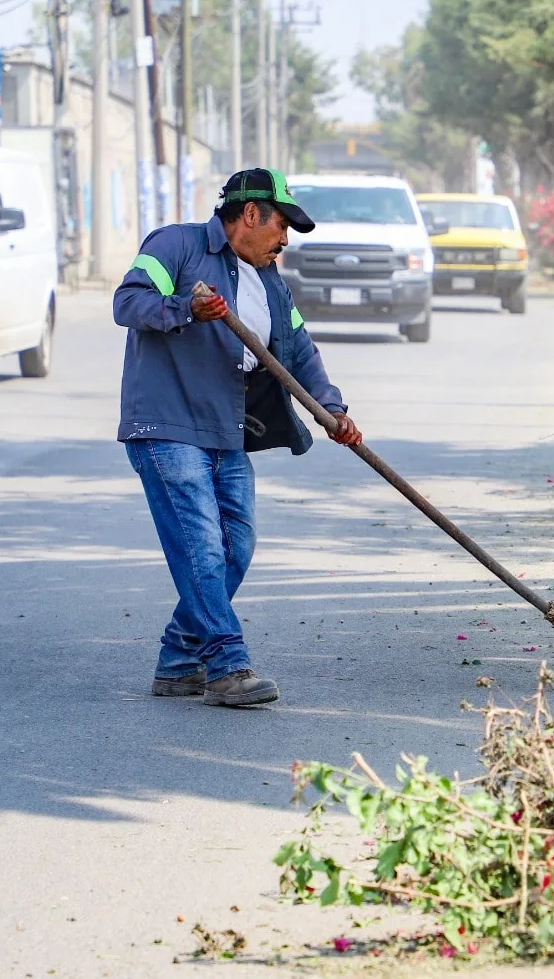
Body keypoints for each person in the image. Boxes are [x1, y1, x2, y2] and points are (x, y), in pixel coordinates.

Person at [114, 168, 363, 708]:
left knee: (238, 546)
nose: (285, 240)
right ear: (250, 215)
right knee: (201, 546)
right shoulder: (174, 245)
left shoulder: (271, 280)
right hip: (166, 425)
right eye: (281, 225)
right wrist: (185, 308)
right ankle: (226, 664)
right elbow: (127, 303)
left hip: (226, 430)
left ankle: (180, 659)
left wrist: (332, 409)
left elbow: (298, 349)